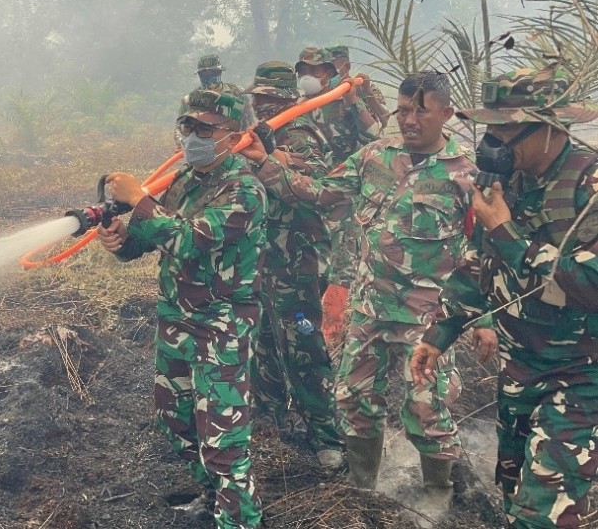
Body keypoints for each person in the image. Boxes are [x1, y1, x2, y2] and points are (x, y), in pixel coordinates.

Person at [238, 71, 477, 519]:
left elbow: (477, 257)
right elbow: (317, 193)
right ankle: (362, 485)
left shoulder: (465, 176)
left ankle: (437, 496)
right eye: (403, 110)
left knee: (427, 407)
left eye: (420, 111)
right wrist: (264, 162)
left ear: (446, 112)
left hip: (425, 322)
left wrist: (478, 320)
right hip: (369, 310)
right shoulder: (374, 156)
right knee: (353, 398)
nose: (408, 120)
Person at [411, 66, 598, 529]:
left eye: (506, 128)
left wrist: (507, 232)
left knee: (543, 516)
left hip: (579, 377)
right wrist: (439, 334)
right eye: (489, 128)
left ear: (549, 129)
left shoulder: (587, 185)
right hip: (518, 372)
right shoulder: (507, 180)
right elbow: (479, 266)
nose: (492, 141)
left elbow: (591, 286)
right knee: (514, 500)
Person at [97, 86, 266, 529]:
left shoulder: (245, 190)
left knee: (223, 439)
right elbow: (154, 237)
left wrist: (139, 200)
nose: (193, 135)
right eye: (188, 125)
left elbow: (190, 238)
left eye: (206, 128)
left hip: (221, 323)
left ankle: (240, 520)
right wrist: (120, 239)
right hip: (177, 318)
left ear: (234, 135)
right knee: (175, 419)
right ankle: (213, 501)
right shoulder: (186, 181)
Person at [243, 61, 343, 469]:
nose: (262, 106)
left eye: (270, 99)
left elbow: (318, 193)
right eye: (258, 99)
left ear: (287, 99)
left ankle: (326, 435)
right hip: (263, 260)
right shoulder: (253, 139)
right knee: (263, 339)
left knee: (303, 346)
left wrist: (268, 161)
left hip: (298, 264)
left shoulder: (302, 138)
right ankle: (268, 416)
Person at [295, 47, 382, 347]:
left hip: (344, 192)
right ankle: (310, 329)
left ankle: (335, 335)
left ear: (331, 72)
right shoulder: (299, 105)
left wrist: (355, 100)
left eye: (315, 71)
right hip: (307, 192)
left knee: (342, 263)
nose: (308, 77)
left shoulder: (348, 97)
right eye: (303, 71)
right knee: (310, 260)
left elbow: (375, 137)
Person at [328, 45, 392, 132]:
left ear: (347, 66)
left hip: (370, 143)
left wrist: (367, 92)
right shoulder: (325, 95)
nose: (330, 73)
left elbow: (384, 118)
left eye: (333, 69)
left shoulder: (365, 88)